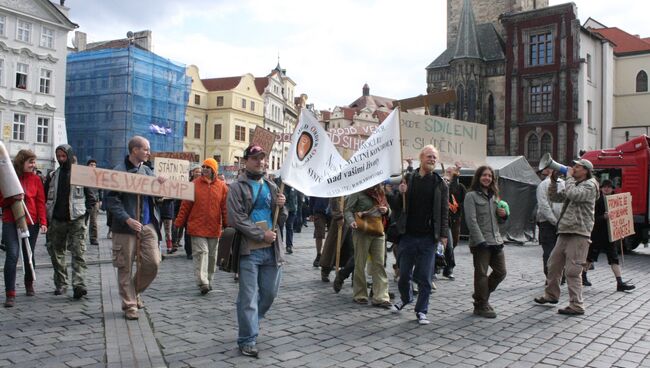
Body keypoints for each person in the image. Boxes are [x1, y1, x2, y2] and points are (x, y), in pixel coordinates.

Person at [227, 144, 286, 358]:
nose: (260, 162)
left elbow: (282, 219)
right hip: (248, 250)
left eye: (263, 159)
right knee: (248, 297)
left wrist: (283, 205)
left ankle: (250, 320)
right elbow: (236, 218)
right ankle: (247, 338)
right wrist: (261, 235)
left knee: (269, 294)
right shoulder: (236, 187)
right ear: (245, 161)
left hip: (272, 249)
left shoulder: (271, 186)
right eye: (255, 159)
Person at [105, 136, 164, 320]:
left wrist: (161, 189)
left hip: (147, 224)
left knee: (153, 263)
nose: (149, 152)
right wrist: (127, 219)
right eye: (146, 149)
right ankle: (130, 304)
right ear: (134, 150)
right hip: (126, 227)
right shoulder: (118, 171)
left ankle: (133, 291)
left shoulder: (148, 171)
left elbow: (157, 198)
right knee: (125, 266)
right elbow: (110, 201)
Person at [390, 145, 449, 325]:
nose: (432, 160)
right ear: (421, 158)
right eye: (429, 156)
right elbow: (399, 207)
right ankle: (406, 298)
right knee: (404, 274)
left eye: (434, 157)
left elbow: (444, 211)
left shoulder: (440, 184)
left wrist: (444, 234)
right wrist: (399, 194)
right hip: (408, 235)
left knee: (424, 276)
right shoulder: (409, 178)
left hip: (428, 237)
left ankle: (421, 310)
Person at [534, 158, 599, 316]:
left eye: (577, 166)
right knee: (553, 264)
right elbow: (555, 197)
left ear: (585, 170)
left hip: (579, 232)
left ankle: (577, 305)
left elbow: (574, 195)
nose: (573, 168)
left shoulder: (590, 185)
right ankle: (551, 295)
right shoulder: (574, 184)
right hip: (565, 230)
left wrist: (568, 177)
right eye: (574, 166)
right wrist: (554, 180)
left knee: (572, 270)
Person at [44, 144, 96, 299]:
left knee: (78, 252)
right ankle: (61, 283)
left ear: (69, 155)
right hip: (57, 219)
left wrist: (85, 214)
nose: (61, 159)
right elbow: (47, 196)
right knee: (56, 253)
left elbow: (91, 198)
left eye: (63, 156)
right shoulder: (53, 175)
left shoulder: (81, 174)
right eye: (58, 156)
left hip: (77, 219)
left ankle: (79, 285)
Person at [174, 158, 228, 294]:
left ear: (214, 170)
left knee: (212, 256)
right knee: (201, 253)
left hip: (214, 227)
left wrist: (227, 224)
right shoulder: (193, 184)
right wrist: (179, 222)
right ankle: (202, 281)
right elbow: (185, 206)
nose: (204, 169)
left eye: (208, 167)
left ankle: (209, 279)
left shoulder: (222, 186)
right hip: (196, 226)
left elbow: (225, 208)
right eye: (203, 166)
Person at [1, 150, 47, 307]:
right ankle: (10, 293)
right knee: (12, 255)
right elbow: (1, 200)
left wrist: (43, 222)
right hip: (10, 220)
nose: (33, 165)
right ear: (22, 162)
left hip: (30, 221)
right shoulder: (9, 177)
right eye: (30, 162)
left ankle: (29, 283)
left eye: (34, 162)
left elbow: (41, 201)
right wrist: (12, 198)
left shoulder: (36, 180)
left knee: (29, 255)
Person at [464, 165, 508, 318]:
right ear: (478, 177)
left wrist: (503, 216)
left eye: (490, 176)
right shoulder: (471, 196)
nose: (487, 178)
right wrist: (480, 241)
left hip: (496, 241)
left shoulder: (495, 196)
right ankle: (481, 305)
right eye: (484, 175)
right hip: (481, 243)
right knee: (481, 274)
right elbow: (471, 220)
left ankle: (480, 296)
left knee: (501, 272)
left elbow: (499, 222)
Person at [344, 185, 392, 308]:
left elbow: (389, 210)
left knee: (379, 263)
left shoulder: (380, 192)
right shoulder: (358, 191)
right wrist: (351, 221)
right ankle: (360, 294)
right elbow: (348, 209)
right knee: (360, 263)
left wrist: (386, 211)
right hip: (361, 230)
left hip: (378, 229)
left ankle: (381, 296)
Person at [582, 180, 635, 291]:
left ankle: (619, 282)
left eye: (609, 187)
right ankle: (583, 276)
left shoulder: (617, 201)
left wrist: (620, 230)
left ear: (612, 189)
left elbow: (622, 217)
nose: (606, 189)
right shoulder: (596, 201)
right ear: (601, 188)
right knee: (590, 257)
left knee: (614, 258)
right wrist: (603, 218)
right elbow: (591, 219)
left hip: (610, 235)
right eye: (604, 187)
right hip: (597, 235)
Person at [536, 167, 564, 279]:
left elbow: (543, 205)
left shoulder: (544, 184)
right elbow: (543, 205)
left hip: (549, 222)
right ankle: (556, 276)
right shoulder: (545, 184)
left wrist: (555, 221)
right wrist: (557, 221)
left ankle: (551, 276)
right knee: (555, 251)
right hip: (554, 222)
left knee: (550, 251)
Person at [309, 196, 329, 267]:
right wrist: (311, 212)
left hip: (333, 210)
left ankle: (330, 257)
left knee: (332, 236)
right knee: (319, 234)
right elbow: (312, 195)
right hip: (319, 211)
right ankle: (319, 255)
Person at [86, 159, 100, 245]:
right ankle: (81, 238)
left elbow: (100, 188)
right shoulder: (84, 175)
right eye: (91, 164)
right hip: (85, 201)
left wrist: (100, 199)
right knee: (82, 221)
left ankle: (93, 238)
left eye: (94, 165)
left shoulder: (97, 176)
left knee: (93, 222)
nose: (93, 166)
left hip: (95, 201)